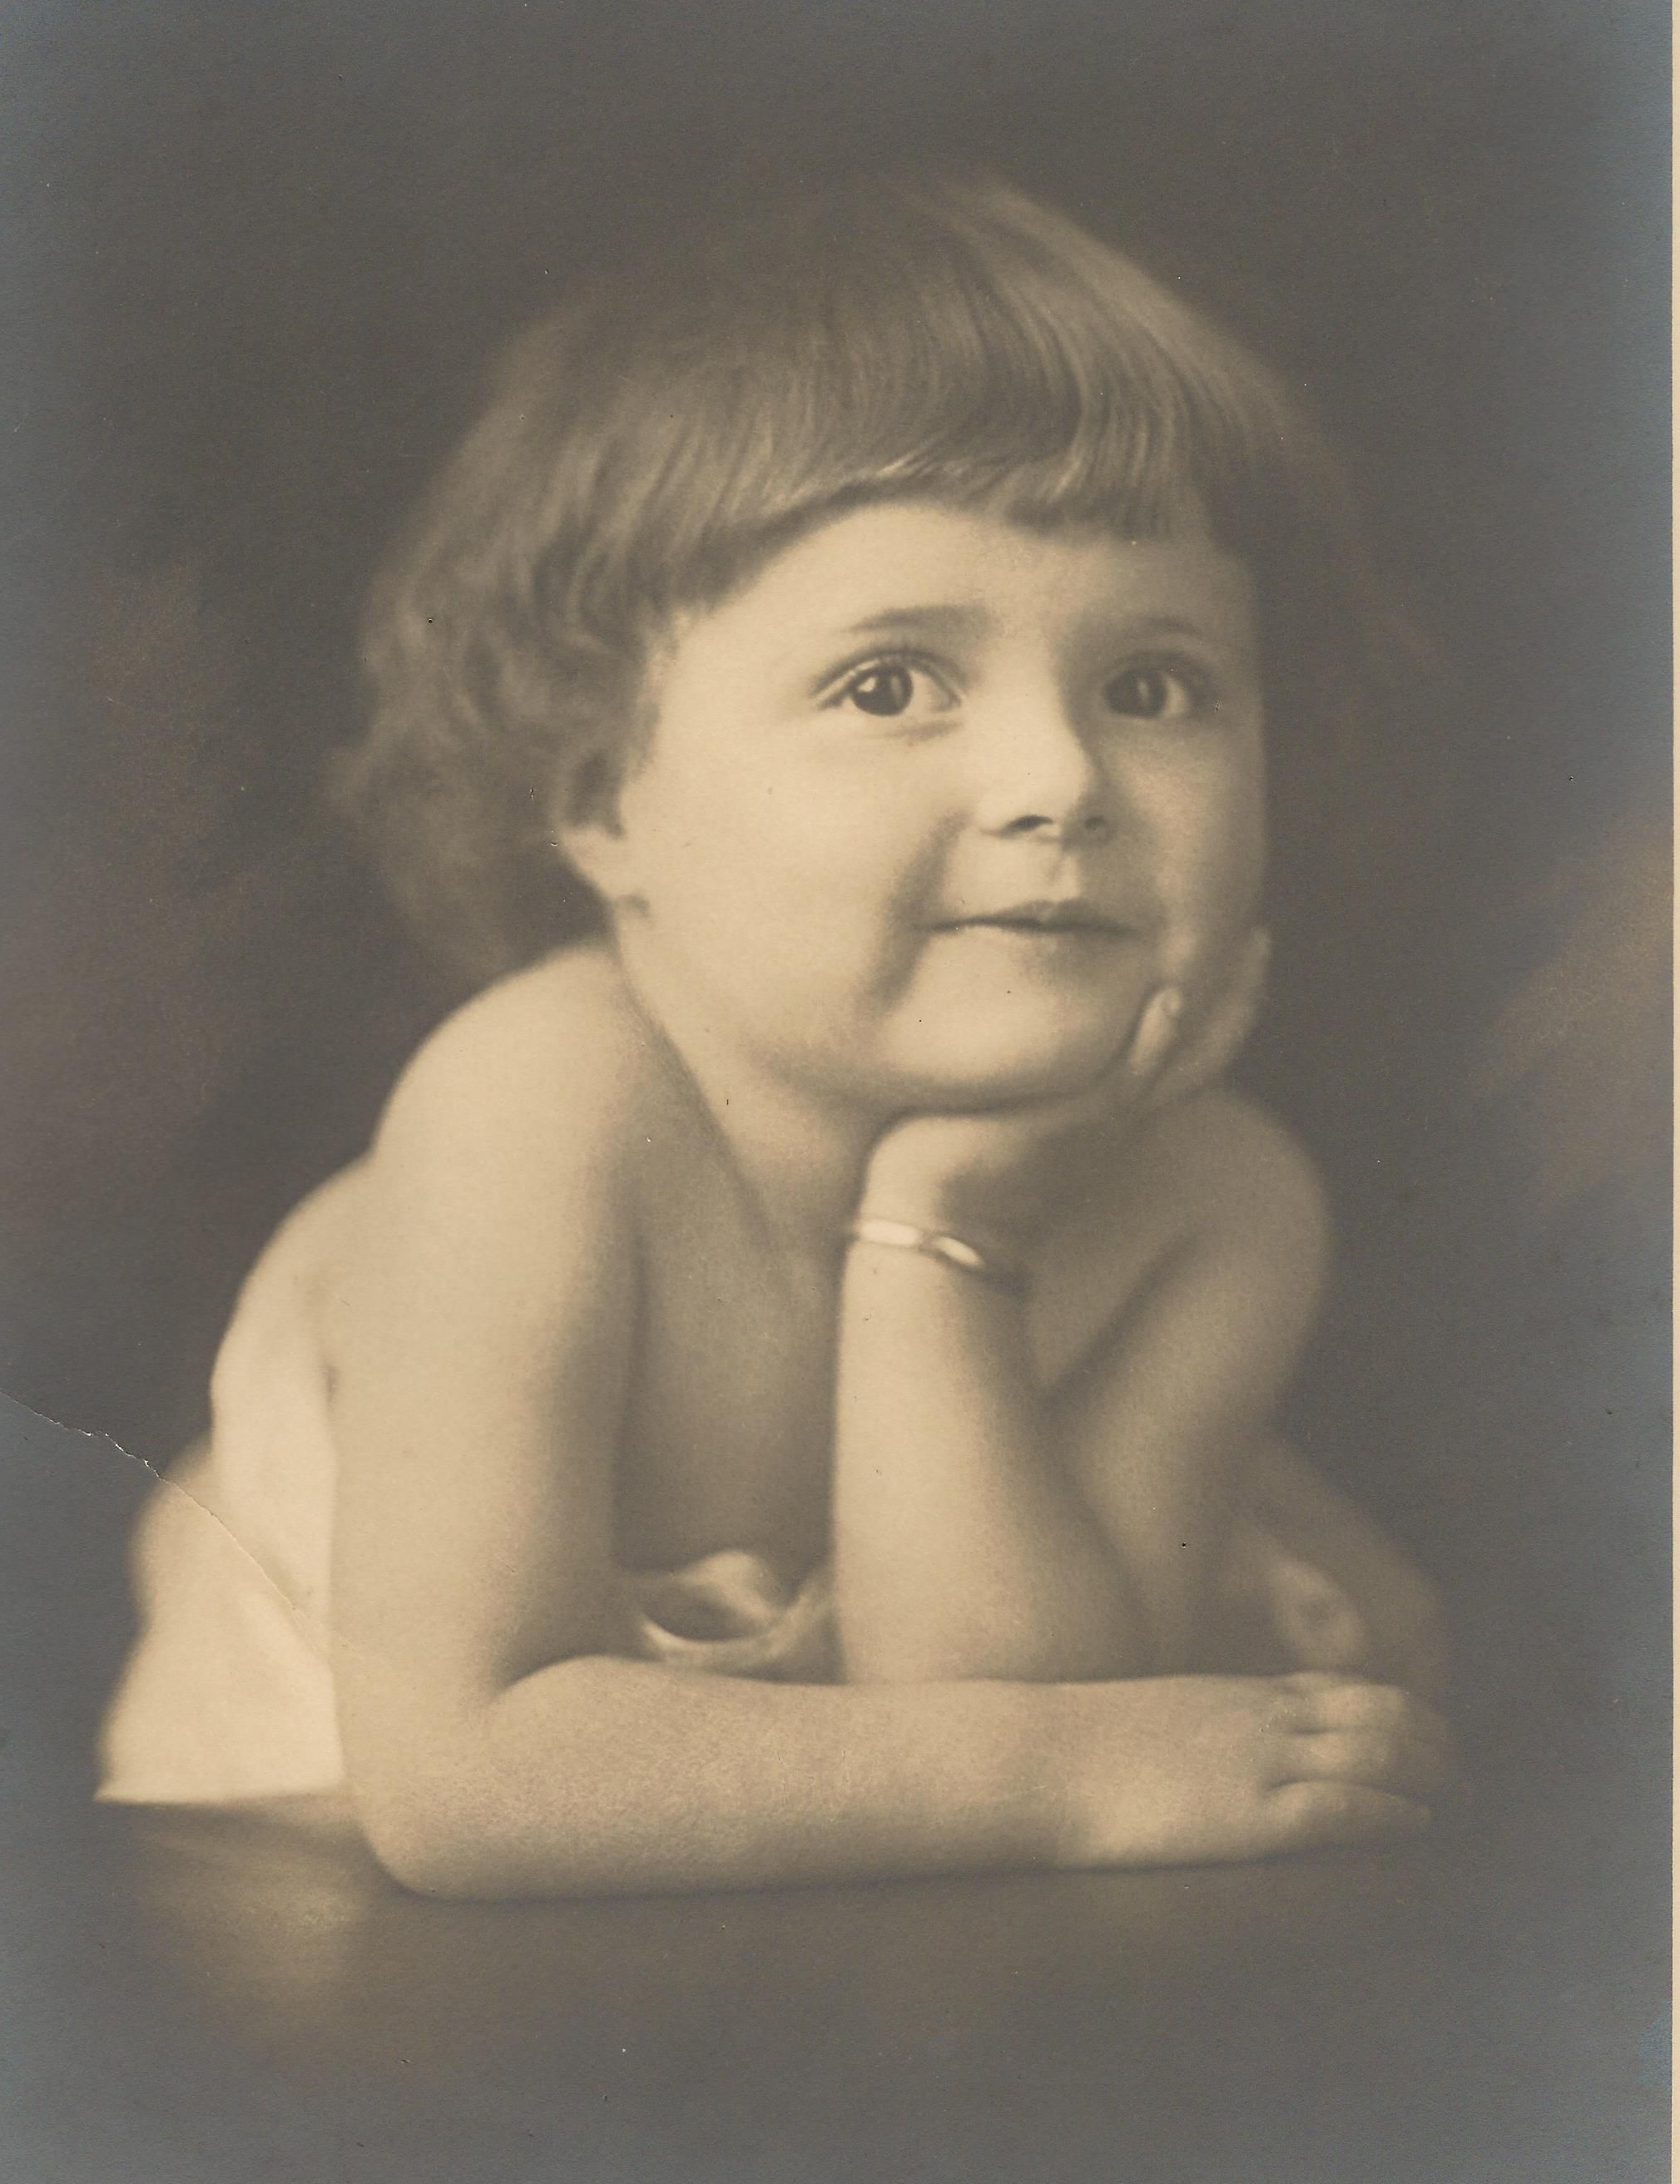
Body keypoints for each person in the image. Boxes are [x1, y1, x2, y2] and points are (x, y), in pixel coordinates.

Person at [97, 174, 1455, 1896]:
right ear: (608, 800)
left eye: (1154, 685)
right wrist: (1076, 1772)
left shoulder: (1221, 1200)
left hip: (884, 1893)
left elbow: (1012, 1719)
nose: (1061, 779)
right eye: (891, 684)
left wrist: (948, 1230)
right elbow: (461, 1782)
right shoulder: (543, 1109)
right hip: (346, 1889)